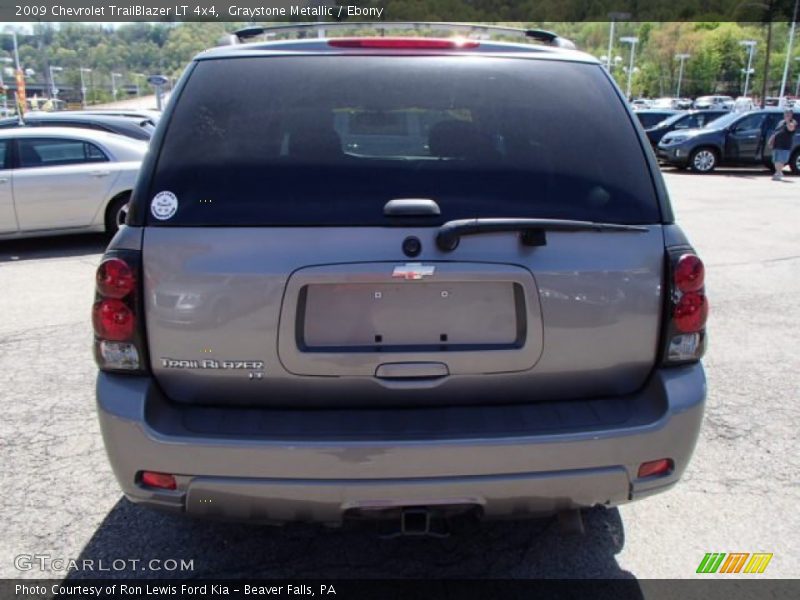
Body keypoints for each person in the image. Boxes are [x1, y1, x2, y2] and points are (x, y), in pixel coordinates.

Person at [768, 109, 797, 180]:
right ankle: (778, 172)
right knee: (775, 160)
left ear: (791, 115)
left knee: (780, 160)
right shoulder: (781, 122)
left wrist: (787, 121)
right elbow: (776, 132)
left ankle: (778, 173)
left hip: (784, 145)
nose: (786, 115)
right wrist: (771, 140)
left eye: (788, 114)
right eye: (785, 113)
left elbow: (791, 128)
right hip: (776, 144)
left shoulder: (793, 122)